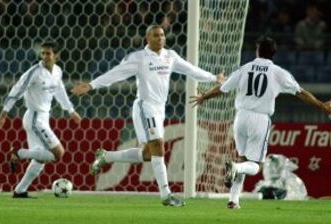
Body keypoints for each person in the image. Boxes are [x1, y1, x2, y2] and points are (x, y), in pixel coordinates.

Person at [72, 25, 224, 207]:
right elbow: (116, 73)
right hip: (145, 107)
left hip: (160, 109)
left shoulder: (170, 56)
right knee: (158, 146)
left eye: (162, 35)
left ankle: (107, 157)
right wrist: (92, 85)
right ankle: (166, 195)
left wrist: (213, 77)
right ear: (147, 38)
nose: (160, 38)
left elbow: (190, 70)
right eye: (155, 35)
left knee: (147, 154)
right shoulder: (139, 58)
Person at [190, 36, 331, 209]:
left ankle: (233, 200)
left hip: (240, 117)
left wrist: (204, 97)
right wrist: (322, 106)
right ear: (273, 54)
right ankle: (235, 169)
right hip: (260, 119)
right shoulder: (278, 72)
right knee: (255, 165)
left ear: (257, 50)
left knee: (243, 159)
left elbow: (223, 89)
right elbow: (301, 93)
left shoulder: (244, 68)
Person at [0, 41, 82, 198]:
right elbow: (17, 89)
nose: (45, 57)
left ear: (56, 56)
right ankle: (19, 153)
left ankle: (19, 191)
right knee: (58, 154)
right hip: (35, 119)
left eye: (48, 53)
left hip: (43, 118)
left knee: (39, 159)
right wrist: (4, 113)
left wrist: (71, 111)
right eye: (43, 53)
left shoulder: (57, 71)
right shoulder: (34, 72)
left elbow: (60, 91)